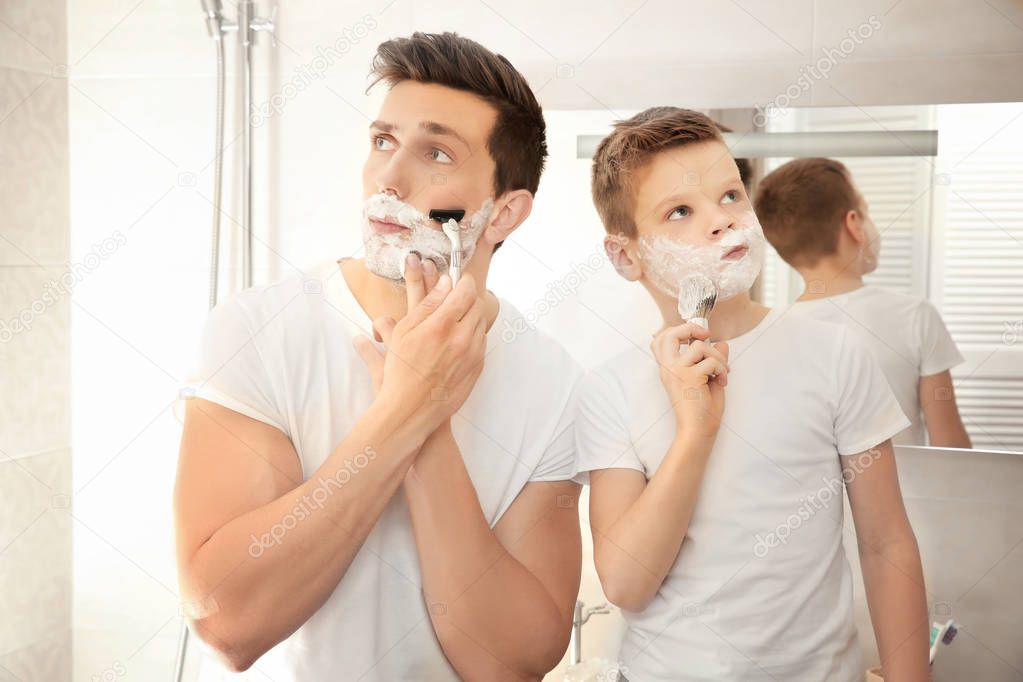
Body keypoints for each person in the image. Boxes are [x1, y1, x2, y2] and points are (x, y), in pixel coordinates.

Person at [174, 32, 582, 681]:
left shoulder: (552, 378)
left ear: (503, 214)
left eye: (437, 152)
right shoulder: (254, 330)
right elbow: (229, 624)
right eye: (382, 141)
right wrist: (405, 409)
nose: (388, 179)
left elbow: (511, 663)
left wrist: (428, 420)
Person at [574, 107, 930, 681]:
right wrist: (695, 433)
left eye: (731, 196)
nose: (720, 220)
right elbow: (626, 583)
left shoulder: (834, 355)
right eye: (681, 211)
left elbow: (886, 541)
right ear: (626, 255)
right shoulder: (609, 390)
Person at [755, 157, 971, 447]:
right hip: (909, 493)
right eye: (866, 212)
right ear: (854, 224)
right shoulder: (915, 316)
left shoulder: (771, 332)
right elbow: (951, 447)